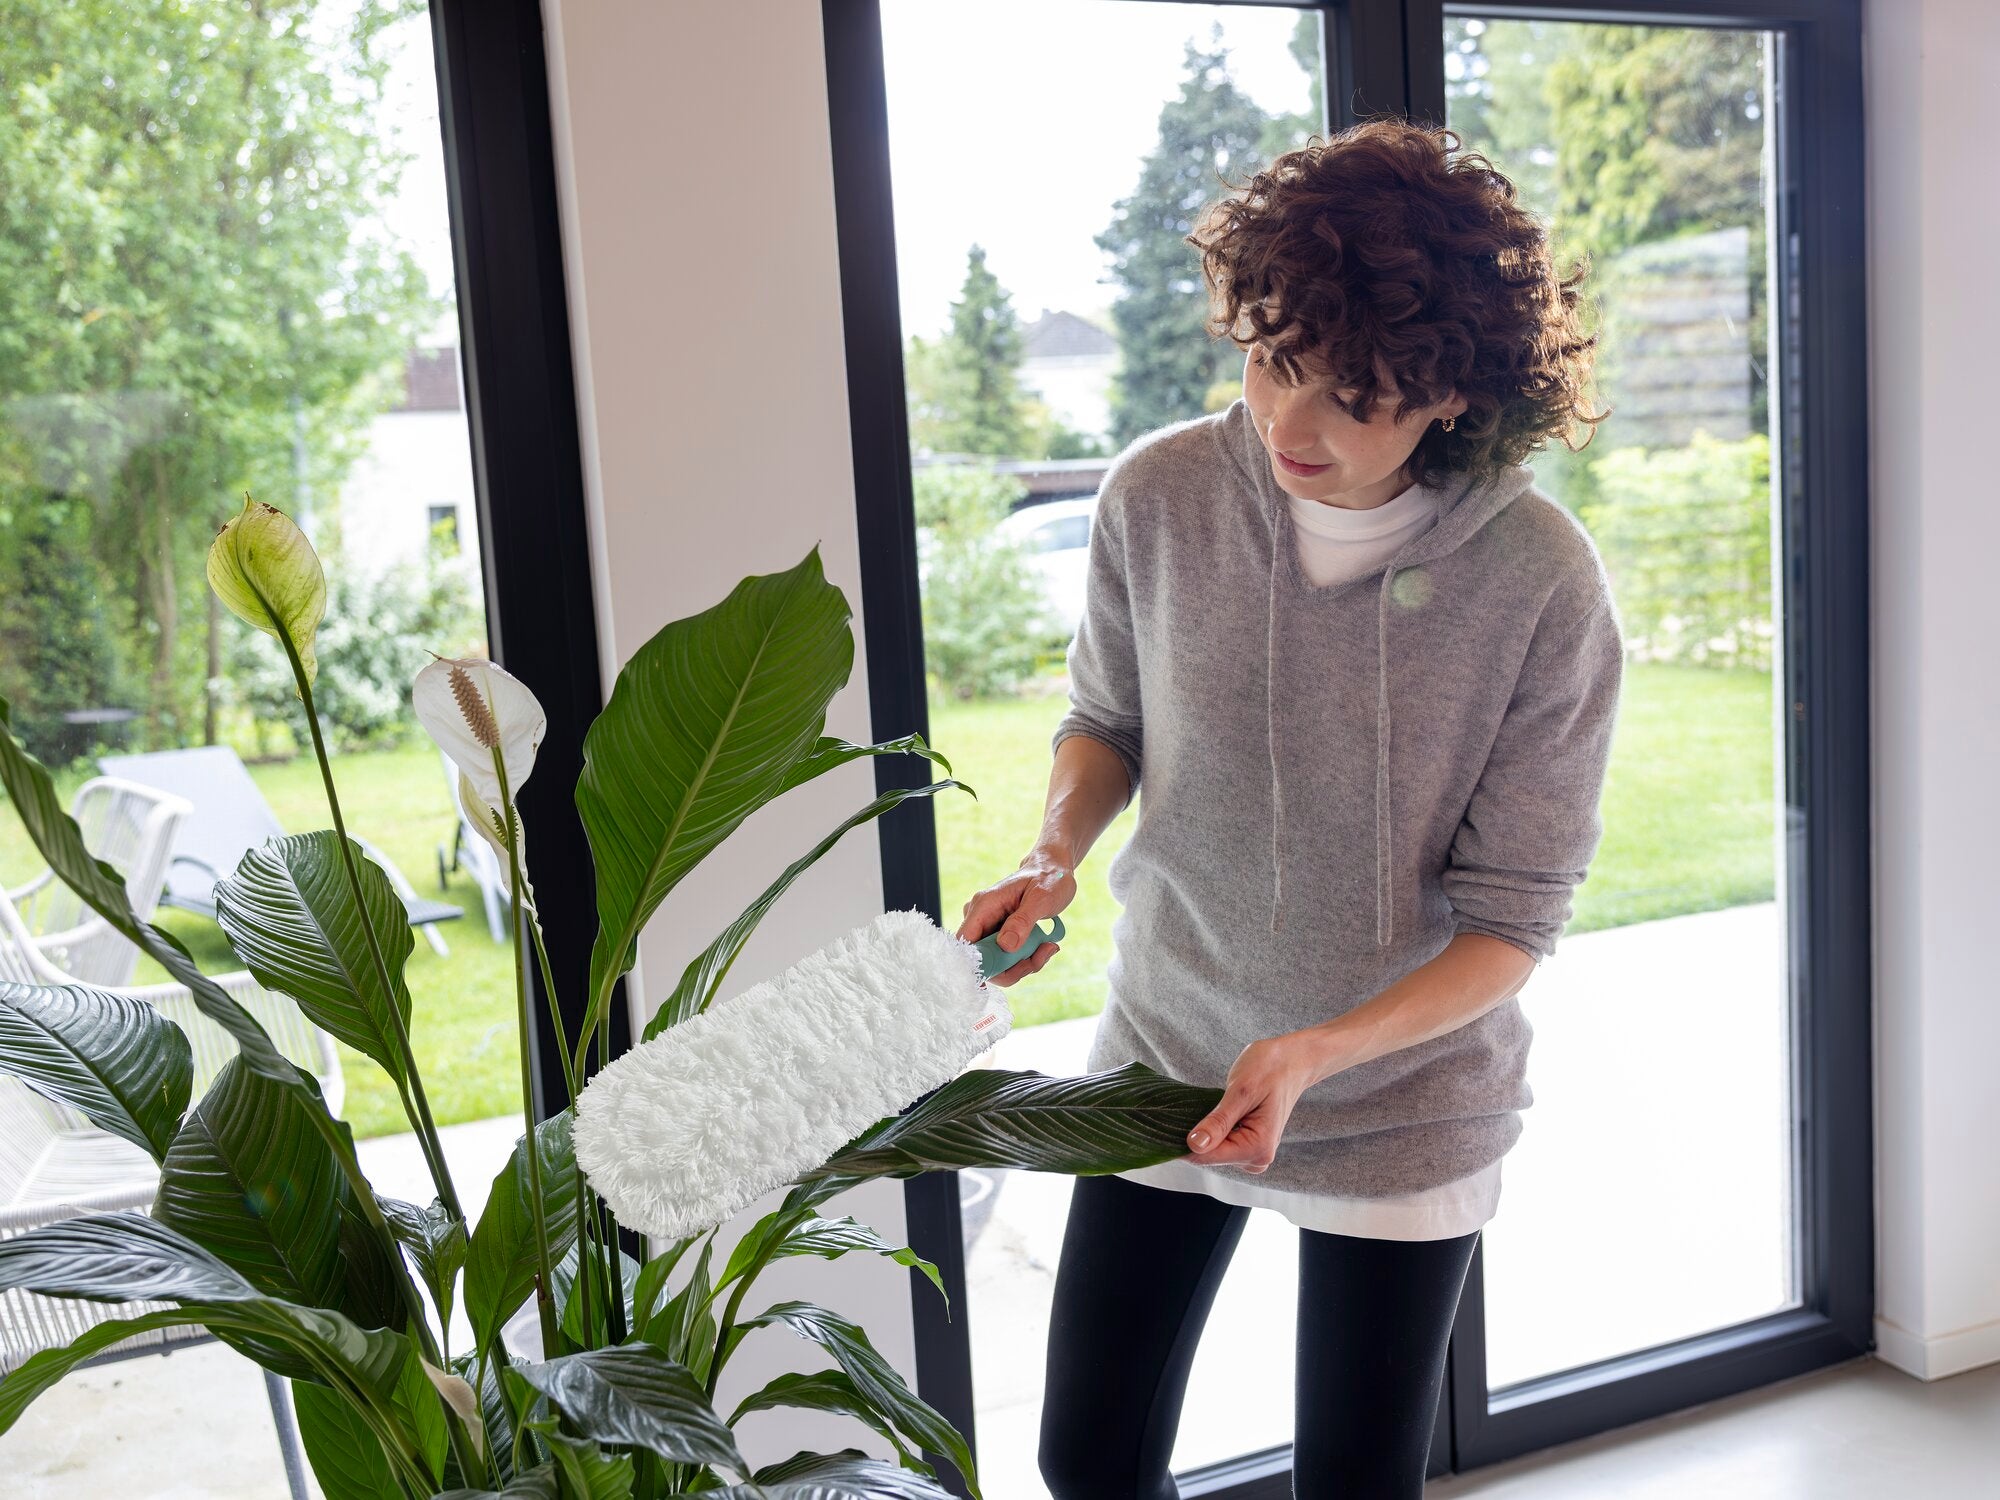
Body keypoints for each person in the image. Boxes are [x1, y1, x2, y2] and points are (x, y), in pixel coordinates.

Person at [954, 117, 1622, 1499]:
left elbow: (1513, 922)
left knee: (1355, 1485)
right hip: (1165, 1046)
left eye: (1353, 394)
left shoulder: (1543, 583)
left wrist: (1317, 1053)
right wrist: (1056, 850)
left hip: (1402, 1097)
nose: (1288, 426)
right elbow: (1108, 723)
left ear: (1453, 391)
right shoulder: (1159, 494)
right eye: (1272, 364)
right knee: (1086, 1458)